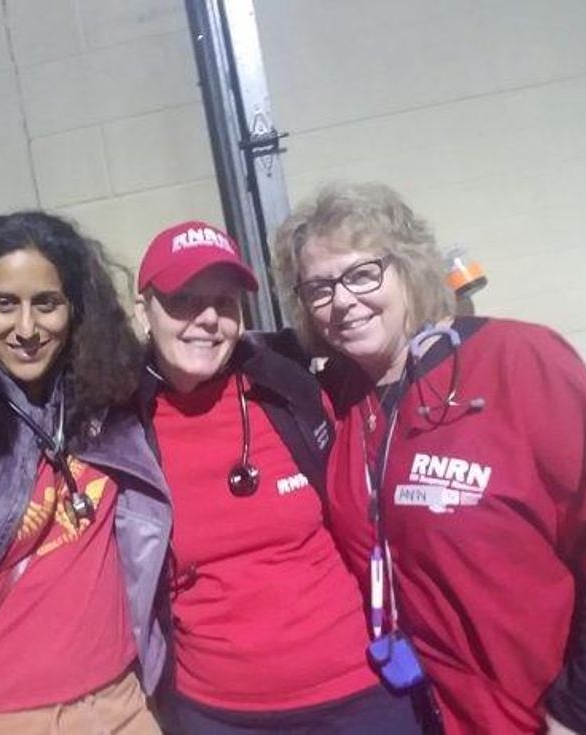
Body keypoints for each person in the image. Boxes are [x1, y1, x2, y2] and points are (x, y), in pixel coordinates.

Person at [273, 182, 586, 734]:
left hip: (546, 715)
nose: (342, 300)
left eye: (363, 274)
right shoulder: (341, 405)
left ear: (409, 269)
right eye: (319, 288)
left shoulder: (518, 360)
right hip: (426, 715)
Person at [133, 220, 421, 734]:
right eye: (183, 300)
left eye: (224, 302)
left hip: (360, 693)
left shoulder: (290, 387)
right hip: (217, 713)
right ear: (143, 311)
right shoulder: (120, 425)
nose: (207, 319)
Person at [0, 211, 171, 735]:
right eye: (4, 304)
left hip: (125, 704)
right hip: (13, 719)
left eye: (46, 304)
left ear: (75, 310)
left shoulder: (103, 406)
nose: (27, 330)